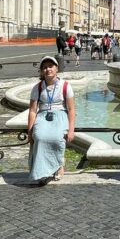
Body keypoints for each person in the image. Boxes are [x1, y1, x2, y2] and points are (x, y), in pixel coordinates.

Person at [27, 56, 75, 186]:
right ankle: (41, 172)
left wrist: (71, 130)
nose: (48, 69)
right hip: (43, 116)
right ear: (41, 71)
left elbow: (71, 109)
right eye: (44, 67)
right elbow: (32, 111)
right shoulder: (37, 88)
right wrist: (30, 132)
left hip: (60, 115)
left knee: (57, 137)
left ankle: (58, 165)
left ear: (56, 68)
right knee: (39, 137)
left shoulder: (65, 86)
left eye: (50, 66)